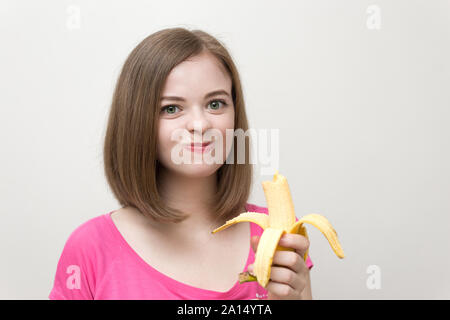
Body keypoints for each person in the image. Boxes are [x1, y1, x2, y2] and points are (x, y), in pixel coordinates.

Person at [48, 27, 313, 300]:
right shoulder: (90, 249)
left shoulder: (278, 235)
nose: (200, 124)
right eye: (171, 108)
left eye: (216, 104)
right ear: (137, 123)